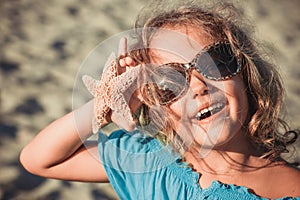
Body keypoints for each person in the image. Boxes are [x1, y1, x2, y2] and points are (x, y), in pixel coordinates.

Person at [20, 0, 300, 199]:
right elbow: (40, 160)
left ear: (247, 75)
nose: (199, 87)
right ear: (156, 107)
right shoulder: (148, 163)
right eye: (170, 81)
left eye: (217, 62)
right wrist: (105, 103)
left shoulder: (291, 189)